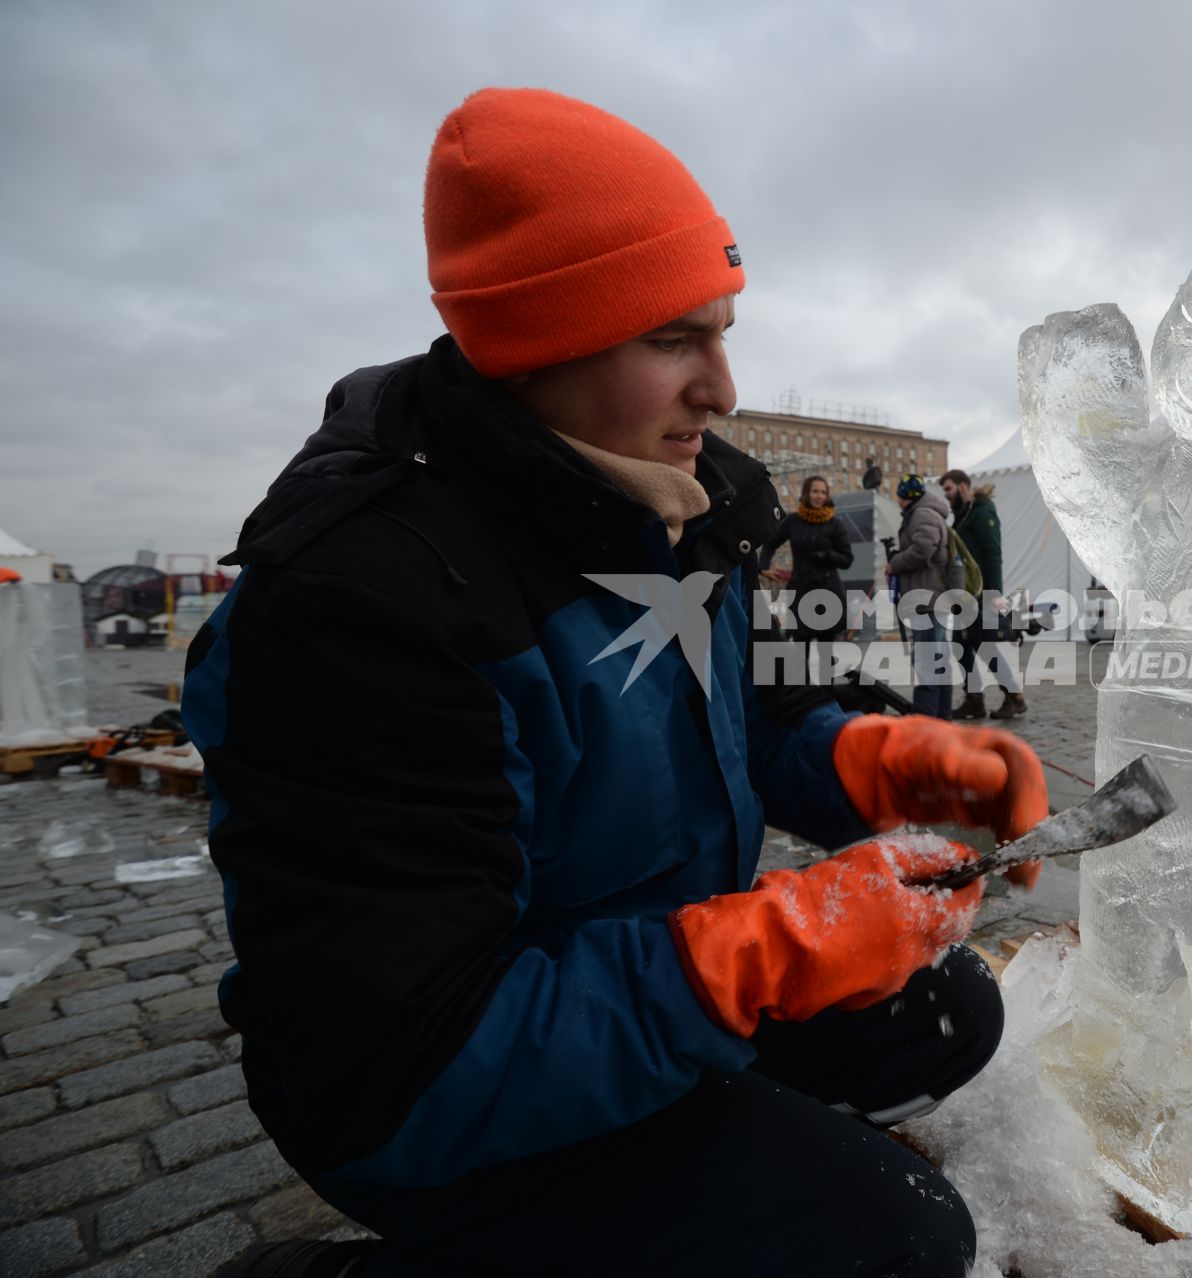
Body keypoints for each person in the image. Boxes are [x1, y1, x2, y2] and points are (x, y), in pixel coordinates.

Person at [187, 87, 1046, 1278]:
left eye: (724, 329)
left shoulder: (678, 509)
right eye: (670, 338)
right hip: (433, 1087)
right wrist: (760, 956)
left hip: (634, 974)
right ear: (537, 341)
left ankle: (688, 1163)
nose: (725, 387)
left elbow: (754, 717)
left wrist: (893, 761)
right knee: (889, 1240)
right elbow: (414, 1050)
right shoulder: (362, 600)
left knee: (947, 1010)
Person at [941, 469, 1026, 720]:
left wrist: (994, 594)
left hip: (980, 594)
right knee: (961, 645)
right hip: (965, 595)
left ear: (963, 487)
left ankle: (1014, 696)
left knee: (982, 645)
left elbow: (992, 554)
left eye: (949, 489)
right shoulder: (962, 516)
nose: (946, 495)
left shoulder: (982, 512)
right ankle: (975, 699)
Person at [760, 474, 854, 681]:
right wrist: (763, 567)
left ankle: (827, 699)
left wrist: (827, 555)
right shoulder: (793, 521)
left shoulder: (834, 523)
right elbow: (770, 543)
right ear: (806, 493)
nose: (819, 496)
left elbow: (847, 559)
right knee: (800, 649)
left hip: (828, 592)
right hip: (801, 590)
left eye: (823, 492)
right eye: (815, 491)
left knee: (825, 653)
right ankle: (805, 700)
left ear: (827, 496)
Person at [887, 474, 959, 720]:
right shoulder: (925, 512)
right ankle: (941, 716)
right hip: (930, 596)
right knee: (937, 657)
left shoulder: (922, 514)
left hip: (927, 598)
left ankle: (927, 719)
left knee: (929, 659)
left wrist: (895, 563)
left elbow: (923, 548)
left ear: (903, 497)